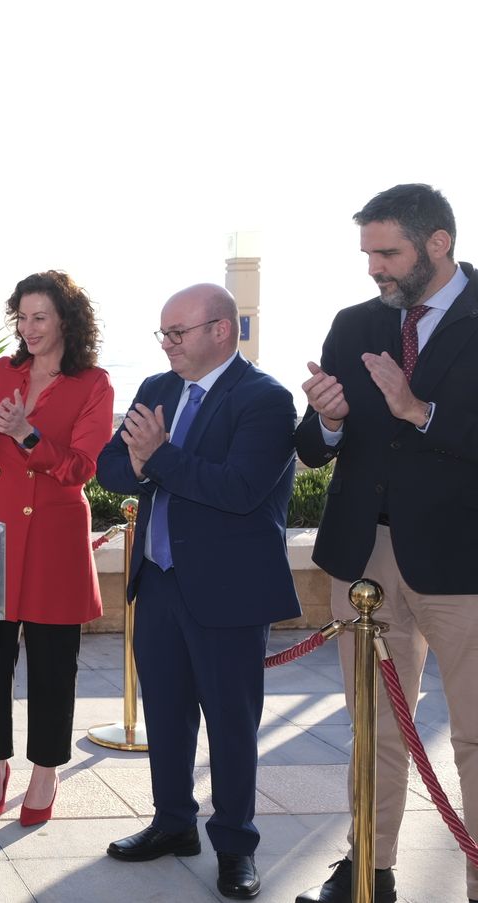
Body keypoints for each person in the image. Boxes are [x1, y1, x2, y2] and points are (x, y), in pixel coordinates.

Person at [293, 183, 478, 903]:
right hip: (363, 557)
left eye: (388, 252)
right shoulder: (354, 323)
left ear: (439, 244)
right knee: (373, 728)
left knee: (472, 735)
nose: (375, 267)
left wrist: (419, 411)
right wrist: (329, 421)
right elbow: (312, 447)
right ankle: (369, 866)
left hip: (463, 562)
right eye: (368, 252)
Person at [96, 283, 298, 900]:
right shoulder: (157, 389)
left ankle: (235, 847)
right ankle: (173, 823)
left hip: (227, 591)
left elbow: (238, 489)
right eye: (162, 333)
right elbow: (108, 468)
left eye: (177, 333)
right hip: (157, 582)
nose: (166, 344)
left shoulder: (265, 399)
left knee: (231, 723)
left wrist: (155, 457)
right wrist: (137, 460)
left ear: (222, 329)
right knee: (166, 714)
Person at [0, 271, 114, 827]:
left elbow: (80, 469)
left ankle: (45, 772)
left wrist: (25, 432)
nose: (28, 327)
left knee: (52, 666)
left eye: (39, 316)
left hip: (53, 541)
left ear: (66, 320)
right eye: (21, 317)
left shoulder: (94, 384)